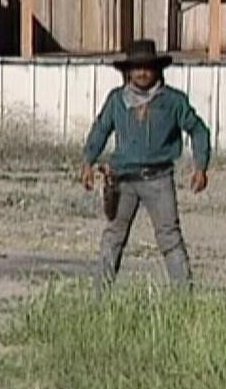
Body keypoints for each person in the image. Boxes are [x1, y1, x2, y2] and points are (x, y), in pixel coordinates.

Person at [80, 39, 211, 296]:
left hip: (158, 179)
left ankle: (185, 301)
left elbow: (198, 130)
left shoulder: (172, 101)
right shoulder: (117, 101)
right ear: (127, 71)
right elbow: (100, 130)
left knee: (170, 238)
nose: (142, 73)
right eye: (136, 67)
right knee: (113, 238)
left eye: (148, 67)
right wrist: (87, 161)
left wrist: (201, 166)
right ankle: (98, 300)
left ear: (157, 70)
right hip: (122, 180)